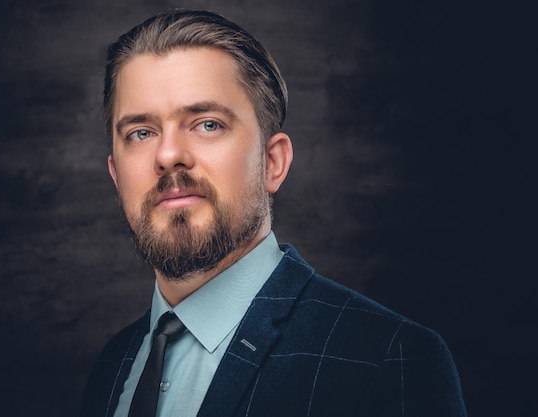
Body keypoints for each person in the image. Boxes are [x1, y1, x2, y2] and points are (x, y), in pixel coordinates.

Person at [80, 9, 467, 417]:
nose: (169, 154)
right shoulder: (112, 365)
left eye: (207, 124)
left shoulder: (389, 359)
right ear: (116, 174)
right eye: (141, 133)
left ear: (273, 162)